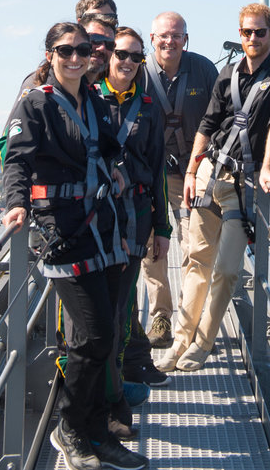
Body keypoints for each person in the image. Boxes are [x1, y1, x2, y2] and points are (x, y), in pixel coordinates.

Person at [2, 22, 148, 470]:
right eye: (65, 50)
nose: (75, 56)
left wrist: (119, 170)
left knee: (102, 337)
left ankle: (96, 431)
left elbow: (108, 150)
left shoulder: (95, 102)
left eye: (82, 50)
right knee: (95, 335)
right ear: (50, 54)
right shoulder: (36, 104)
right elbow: (17, 159)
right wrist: (16, 205)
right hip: (63, 232)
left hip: (102, 228)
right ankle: (70, 427)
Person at [159, 3, 270, 373]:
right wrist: (192, 171)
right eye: (247, 32)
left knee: (226, 269)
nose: (253, 38)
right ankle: (179, 340)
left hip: (244, 183)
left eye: (260, 32)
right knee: (197, 261)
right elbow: (208, 124)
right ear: (239, 34)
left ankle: (202, 343)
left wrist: (268, 168)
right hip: (211, 172)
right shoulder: (229, 73)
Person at [99, 27, 170, 433]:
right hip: (95, 221)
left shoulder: (148, 108)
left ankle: (114, 399)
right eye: (121, 54)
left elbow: (158, 168)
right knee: (98, 316)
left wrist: (162, 227)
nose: (127, 62)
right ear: (108, 56)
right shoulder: (89, 100)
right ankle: (103, 400)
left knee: (122, 309)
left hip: (134, 218)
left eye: (135, 57)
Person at [140, 11, 218, 348]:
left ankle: (190, 317)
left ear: (186, 39)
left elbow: (222, 116)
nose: (169, 41)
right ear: (152, 39)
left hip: (194, 171)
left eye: (176, 35)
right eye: (163, 35)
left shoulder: (202, 70)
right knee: (151, 246)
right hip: (153, 173)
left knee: (194, 244)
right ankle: (160, 316)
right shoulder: (140, 72)